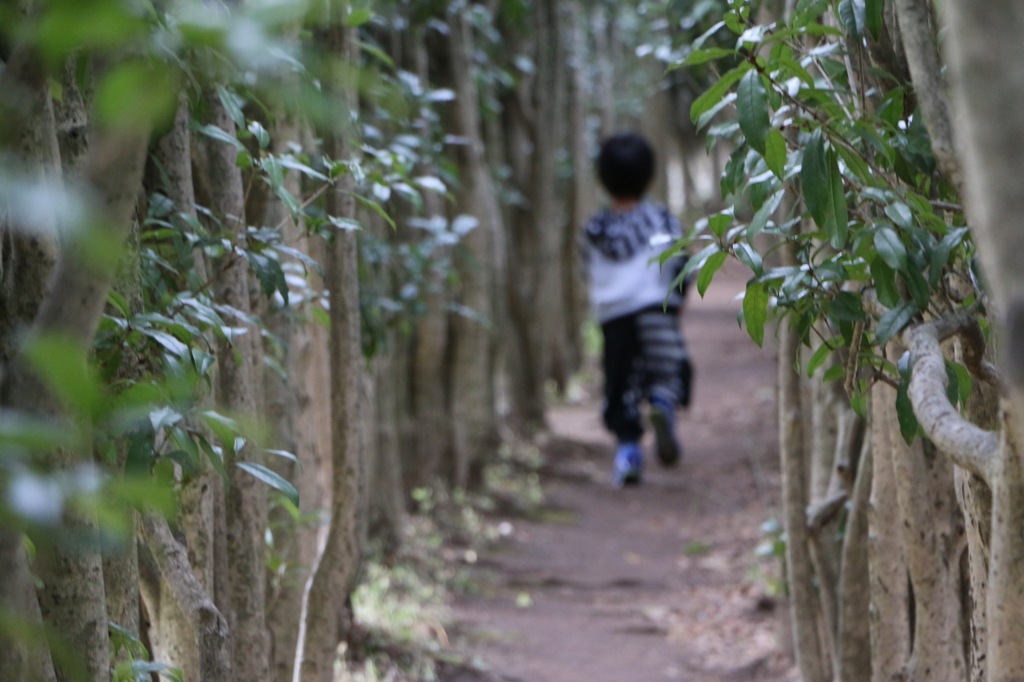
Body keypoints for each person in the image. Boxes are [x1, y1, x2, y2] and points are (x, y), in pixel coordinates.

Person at [581, 132, 691, 486]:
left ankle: (628, 452)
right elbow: (680, 263)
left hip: (614, 317)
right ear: (649, 174)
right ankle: (662, 407)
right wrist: (678, 300)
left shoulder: (595, 230)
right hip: (656, 309)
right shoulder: (661, 221)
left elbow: (588, 270)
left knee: (620, 384)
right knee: (668, 370)